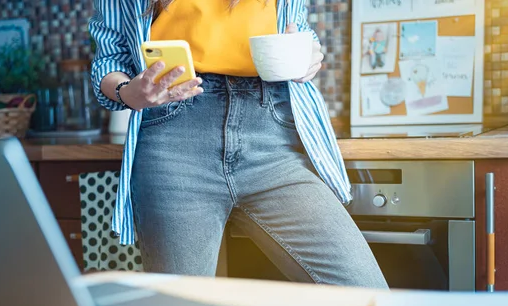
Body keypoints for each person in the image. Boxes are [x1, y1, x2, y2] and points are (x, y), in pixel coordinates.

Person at [89, 0, 388, 288]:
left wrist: (308, 51)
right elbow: (110, 58)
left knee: (366, 291)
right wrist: (128, 92)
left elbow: (291, 24)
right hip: (175, 139)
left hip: (274, 134)